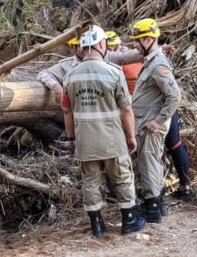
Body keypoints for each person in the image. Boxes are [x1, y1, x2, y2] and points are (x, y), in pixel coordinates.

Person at [62, 25, 147, 237]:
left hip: (85, 141)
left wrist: (71, 140)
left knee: (90, 181)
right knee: (122, 178)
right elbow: (126, 109)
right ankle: (129, 221)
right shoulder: (114, 72)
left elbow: (67, 113)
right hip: (112, 139)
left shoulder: (70, 77)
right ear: (102, 44)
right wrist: (131, 136)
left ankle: (97, 225)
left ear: (83, 48)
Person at [107, 32, 193, 200]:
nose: (114, 50)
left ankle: (159, 198)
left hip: (154, 112)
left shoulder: (144, 60)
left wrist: (159, 120)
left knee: (168, 148)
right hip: (149, 110)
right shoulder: (139, 57)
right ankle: (160, 194)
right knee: (157, 153)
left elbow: (174, 95)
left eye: (115, 47)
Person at [125, 18, 182, 222]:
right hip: (145, 123)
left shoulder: (158, 64)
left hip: (150, 125)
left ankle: (153, 210)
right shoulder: (151, 61)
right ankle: (156, 204)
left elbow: (174, 96)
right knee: (151, 163)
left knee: (149, 165)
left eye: (137, 41)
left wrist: (159, 120)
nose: (134, 45)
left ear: (149, 39)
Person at [37, 36, 83, 105]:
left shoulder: (104, 61)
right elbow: (42, 74)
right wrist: (55, 85)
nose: (87, 49)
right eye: (82, 46)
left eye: (90, 46)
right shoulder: (66, 65)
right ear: (73, 47)